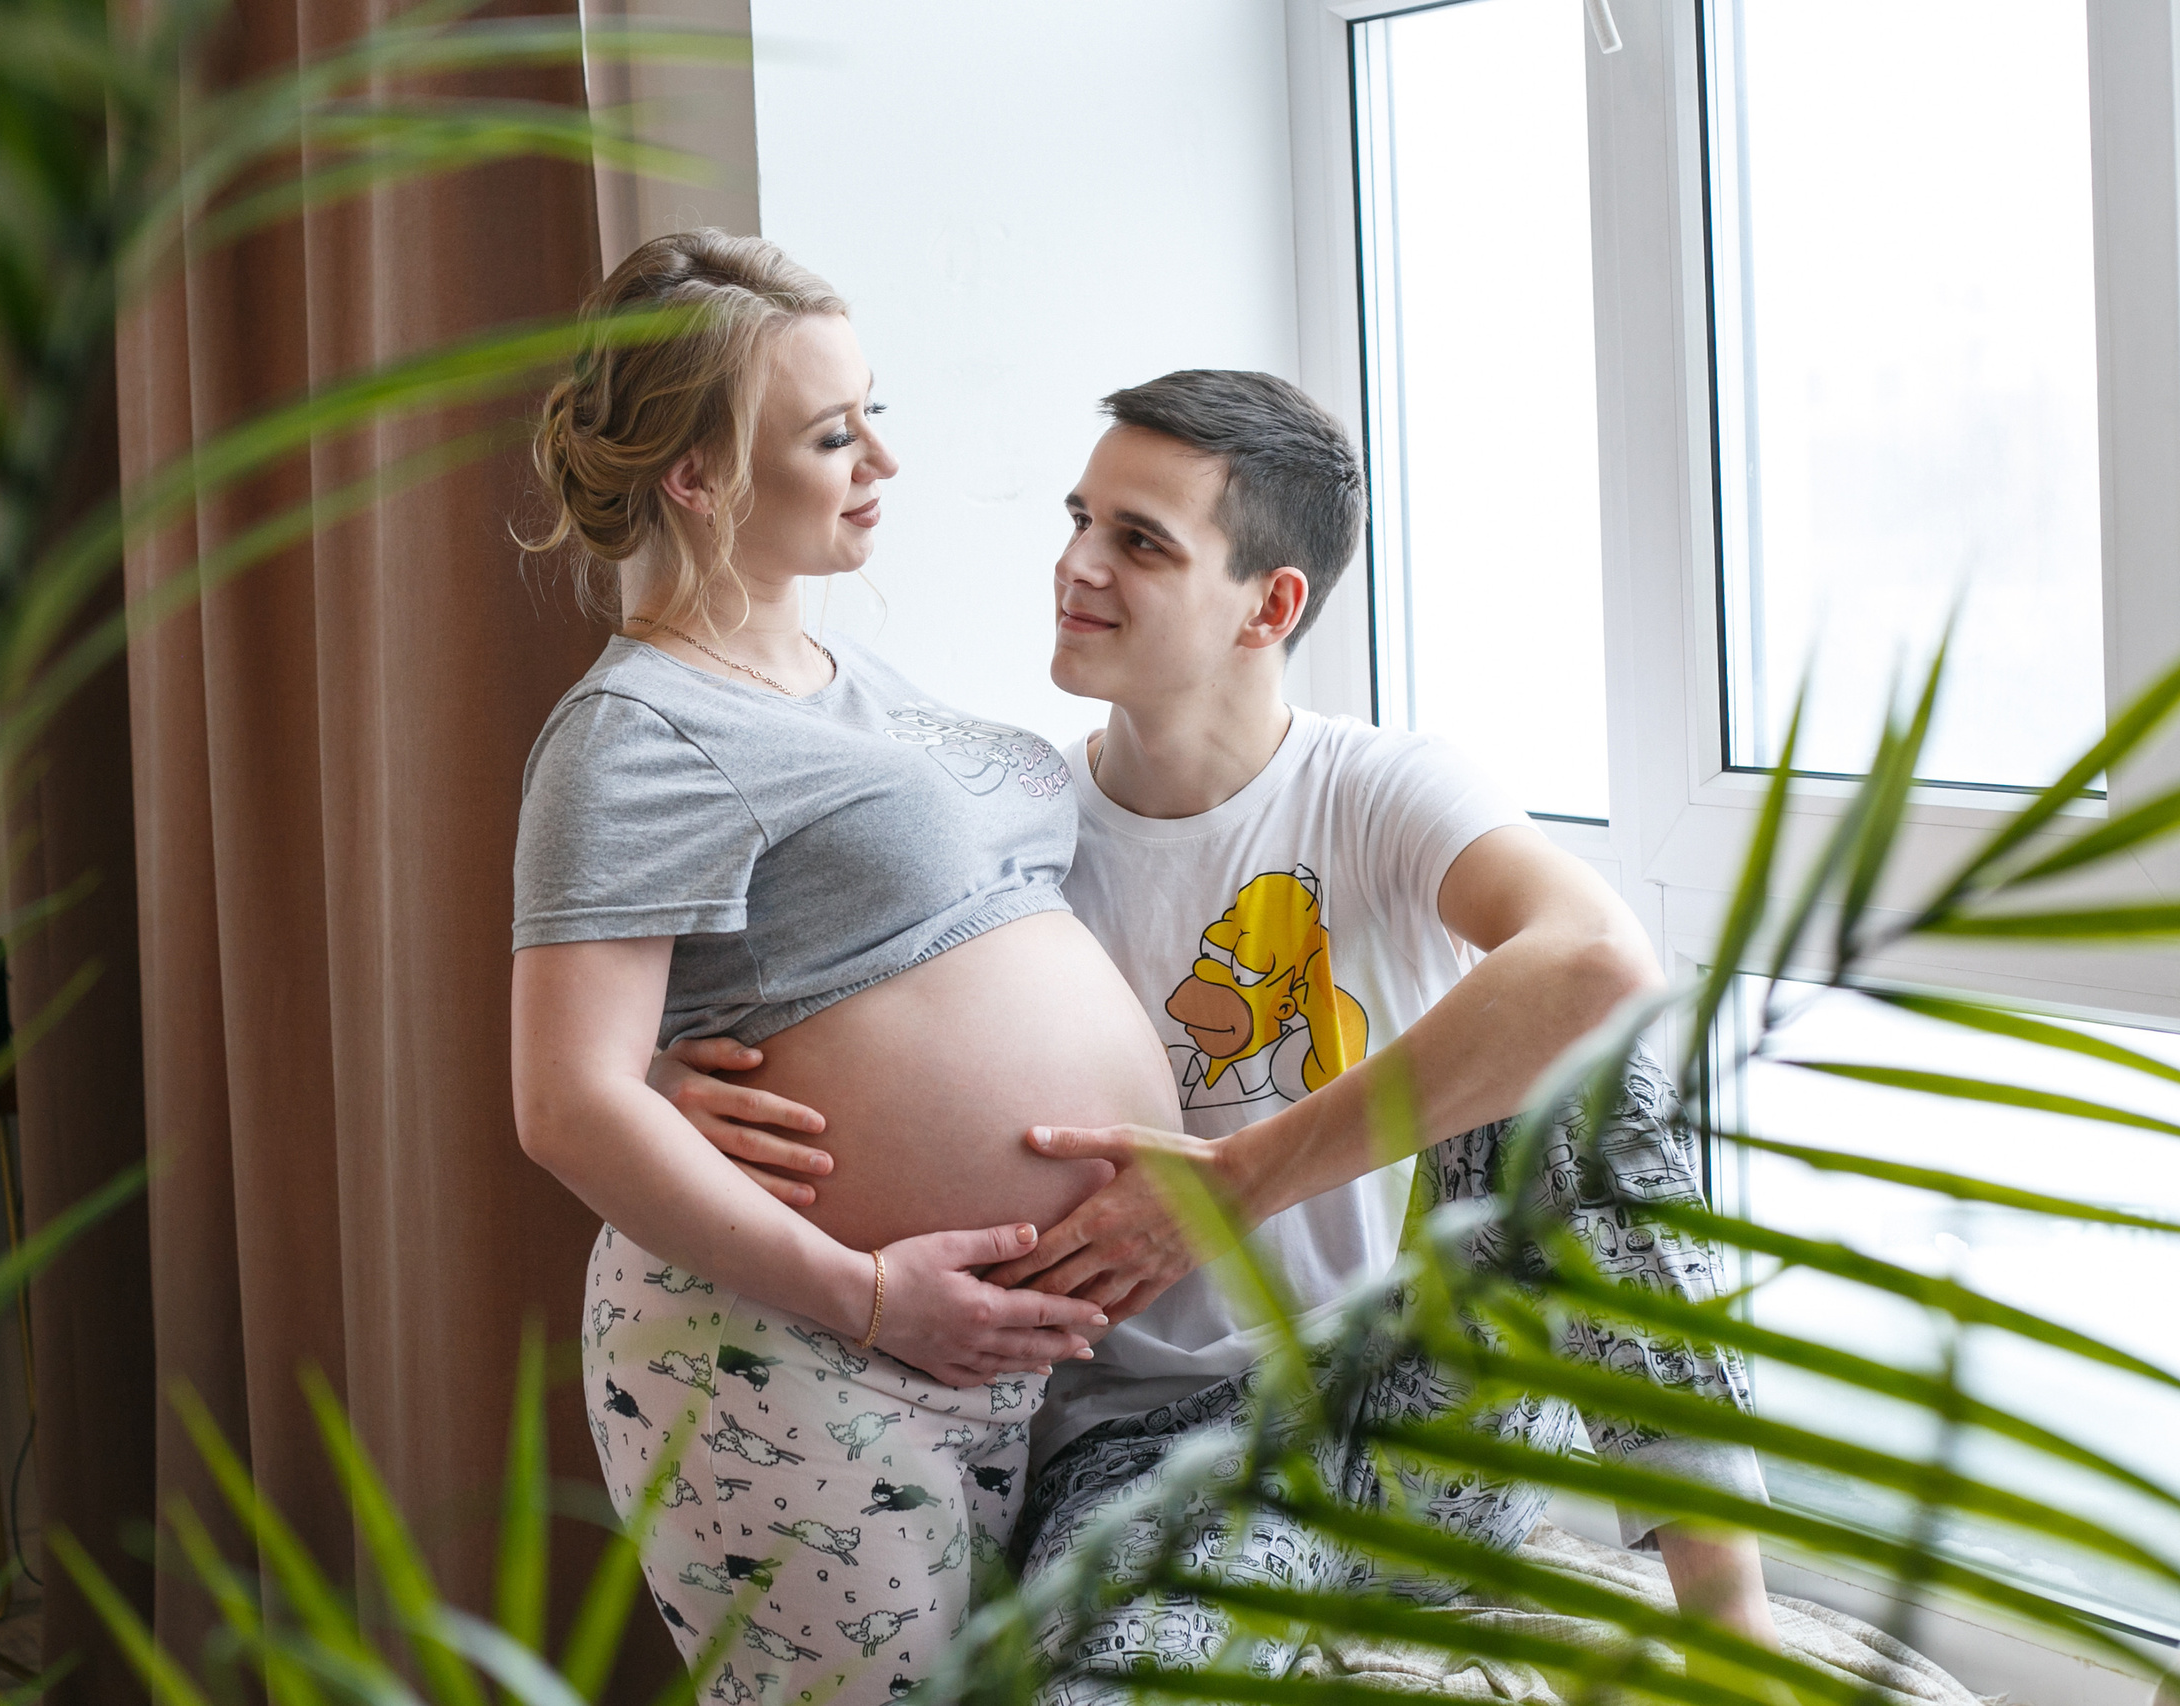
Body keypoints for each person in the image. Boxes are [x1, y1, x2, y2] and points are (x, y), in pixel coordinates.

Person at [662, 370, 1781, 1694]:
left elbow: (1599, 960)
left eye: (1139, 540)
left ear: (1273, 602)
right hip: (1159, 1445)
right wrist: (675, 1075)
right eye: (1080, 518)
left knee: (1584, 1060)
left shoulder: (1379, 787)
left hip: (1425, 1405)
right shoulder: (1010, 814)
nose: (1074, 563)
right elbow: (818, 988)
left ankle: (1735, 1632)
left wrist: (1236, 1186)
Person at [508, 231, 1190, 1704]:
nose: (881, 456)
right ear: (695, 476)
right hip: (795, 1345)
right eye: (832, 432)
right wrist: (871, 1295)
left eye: (874, 409)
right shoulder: (631, 732)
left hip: (968, 1351)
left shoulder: (848, 678)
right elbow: (565, 1100)